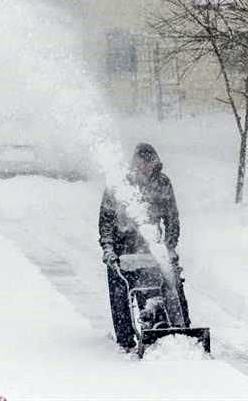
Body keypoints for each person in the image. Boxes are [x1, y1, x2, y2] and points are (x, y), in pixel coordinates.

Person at [98, 143, 189, 349]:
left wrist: (170, 247)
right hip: (123, 248)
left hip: (151, 246)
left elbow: (172, 219)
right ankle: (125, 339)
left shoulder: (163, 183)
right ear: (135, 165)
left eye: (149, 166)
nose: (146, 170)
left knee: (172, 280)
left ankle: (182, 328)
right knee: (120, 288)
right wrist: (109, 249)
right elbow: (106, 221)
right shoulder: (119, 184)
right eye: (141, 166)